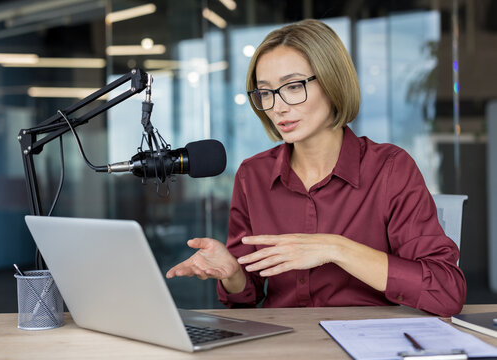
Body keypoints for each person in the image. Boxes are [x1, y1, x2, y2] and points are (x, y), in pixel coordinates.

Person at [166, 19, 466, 317]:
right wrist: (232, 273)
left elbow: (447, 291)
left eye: (294, 86)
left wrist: (336, 248)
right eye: (265, 92)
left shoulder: (390, 168)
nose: (278, 107)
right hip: (285, 343)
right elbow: (246, 297)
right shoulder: (252, 175)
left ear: (332, 81)